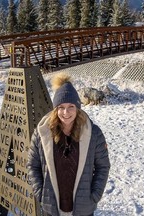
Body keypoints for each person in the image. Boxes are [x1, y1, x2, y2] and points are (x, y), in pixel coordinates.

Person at [27, 73, 110, 216]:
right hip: (51, 209)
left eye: (71, 106)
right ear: (55, 109)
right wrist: (41, 194)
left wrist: (94, 196)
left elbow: (103, 166)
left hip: (82, 209)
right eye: (61, 107)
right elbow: (32, 165)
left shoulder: (93, 133)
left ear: (77, 107)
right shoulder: (42, 133)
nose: (66, 112)